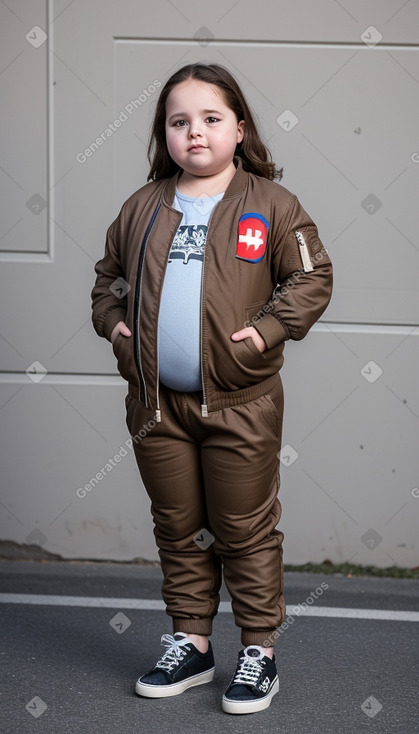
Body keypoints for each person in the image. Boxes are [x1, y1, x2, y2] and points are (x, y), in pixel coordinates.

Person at [91, 62, 333, 715]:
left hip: (239, 405)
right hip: (155, 409)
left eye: (209, 118)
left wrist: (262, 333)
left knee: (243, 529)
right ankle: (192, 645)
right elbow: (106, 280)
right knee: (179, 528)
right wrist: (115, 329)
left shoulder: (272, 206)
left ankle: (258, 653)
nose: (194, 133)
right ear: (163, 134)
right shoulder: (141, 208)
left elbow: (311, 279)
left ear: (239, 127)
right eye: (178, 122)